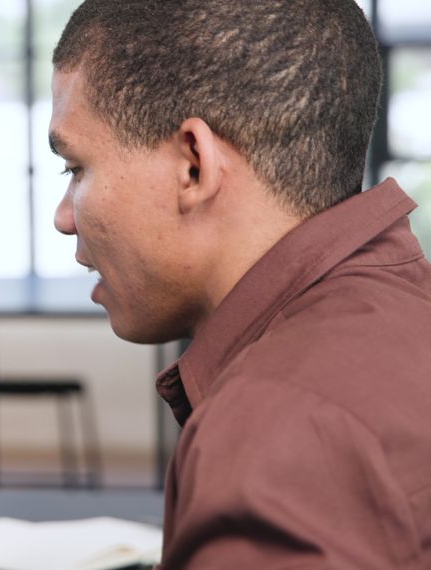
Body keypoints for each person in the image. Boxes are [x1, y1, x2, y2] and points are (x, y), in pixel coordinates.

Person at [48, 0, 431, 568]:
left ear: (194, 166)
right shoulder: (406, 305)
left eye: (75, 169)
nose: (63, 216)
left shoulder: (277, 429)